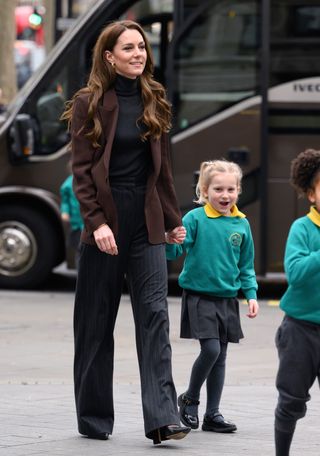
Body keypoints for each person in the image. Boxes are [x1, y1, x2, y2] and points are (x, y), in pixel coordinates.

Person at [60, 20, 190, 445]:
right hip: (106, 217)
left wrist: (172, 220)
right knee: (96, 322)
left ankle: (163, 418)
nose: (139, 54)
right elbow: (81, 172)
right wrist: (95, 223)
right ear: (109, 56)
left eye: (142, 47)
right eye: (129, 48)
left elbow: (163, 168)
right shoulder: (89, 103)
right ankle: (94, 418)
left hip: (146, 218)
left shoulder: (155, 97)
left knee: (154, 316)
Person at [166, 159, 259, 433]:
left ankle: (213, 414)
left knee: (221, 357)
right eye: (218, 189)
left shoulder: (242, 224)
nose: (225, 195)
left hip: (228, 300)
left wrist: (251, 295)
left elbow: (246, 265)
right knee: (211, 349)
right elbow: (174, 253)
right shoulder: (194, 219)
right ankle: (190, 398)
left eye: (231, 189)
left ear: (238, 191)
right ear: (204, 191)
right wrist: (171, 240)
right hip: (199, 297)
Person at [274, 149, 320, 456]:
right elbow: (297, 273)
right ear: (310, 193)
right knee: (291, 401)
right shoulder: (302, 229)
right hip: (300, 330)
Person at [59, 164, 84, 269]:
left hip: (88, 222)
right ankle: (80, 272)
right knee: (79, 248)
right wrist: (64, 212)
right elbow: (65, 201)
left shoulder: (87, 181)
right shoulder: (67, 185)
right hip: (76, 223)